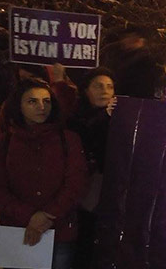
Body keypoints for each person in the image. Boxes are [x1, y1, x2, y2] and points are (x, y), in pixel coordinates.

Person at [0, 78, 88, 269]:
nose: (41, 107)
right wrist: (30, 216)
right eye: (32, 101)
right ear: (19, 105)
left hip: (59, 232)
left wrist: (48, 215)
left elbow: (76, 183)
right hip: (17, 232)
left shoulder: (68, 140)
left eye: (46, 101)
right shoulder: (4, 142)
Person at [66, 68, 116, 268]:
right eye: (98, 86)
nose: (105, 91)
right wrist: (105, 116)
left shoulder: (120, 118)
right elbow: (85, 137)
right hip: (84, 194)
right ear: (86, 90)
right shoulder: (75, 119)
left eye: (110, 87)